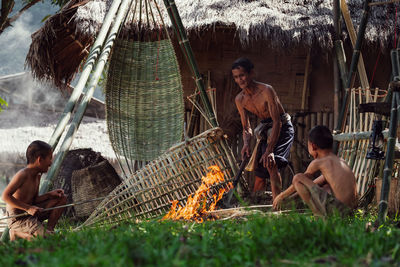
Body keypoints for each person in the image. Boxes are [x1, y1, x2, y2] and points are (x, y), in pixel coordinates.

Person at [232, 57, 294, 200]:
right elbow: (246, 127)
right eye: (236, 77)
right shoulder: (240, 99)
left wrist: (269, 149)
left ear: (251, 73)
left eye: (242, 75)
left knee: (270, 162)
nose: (240, 80)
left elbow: (277, 121)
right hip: (266, 130)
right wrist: (246, 144)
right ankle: (255, 205)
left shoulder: (266, 90)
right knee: (260, 171)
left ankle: (277, 205)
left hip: (282, 127)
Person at [272, 125, 358, 216]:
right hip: (350, 211)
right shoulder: (339, 161)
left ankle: (318, 217)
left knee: (298, 178)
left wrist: (281, 196)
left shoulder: (319, 161)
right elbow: (314, 183)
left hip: (339, 211)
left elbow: (299, 181)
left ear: (313, 146)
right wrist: (291, 198)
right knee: (323, 185)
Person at [2, 140, 67, 241]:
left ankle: (49, 229)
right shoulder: (22, 175)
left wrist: (49, 195)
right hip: (18, 218)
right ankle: (16, 233)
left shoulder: (37, 176)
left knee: (61, 199)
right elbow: (5, 196)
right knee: (47, 239)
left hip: (32, 213)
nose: (51, 163)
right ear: (40, 160)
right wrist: (27, 208)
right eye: (50, 158)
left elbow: (35, 200)